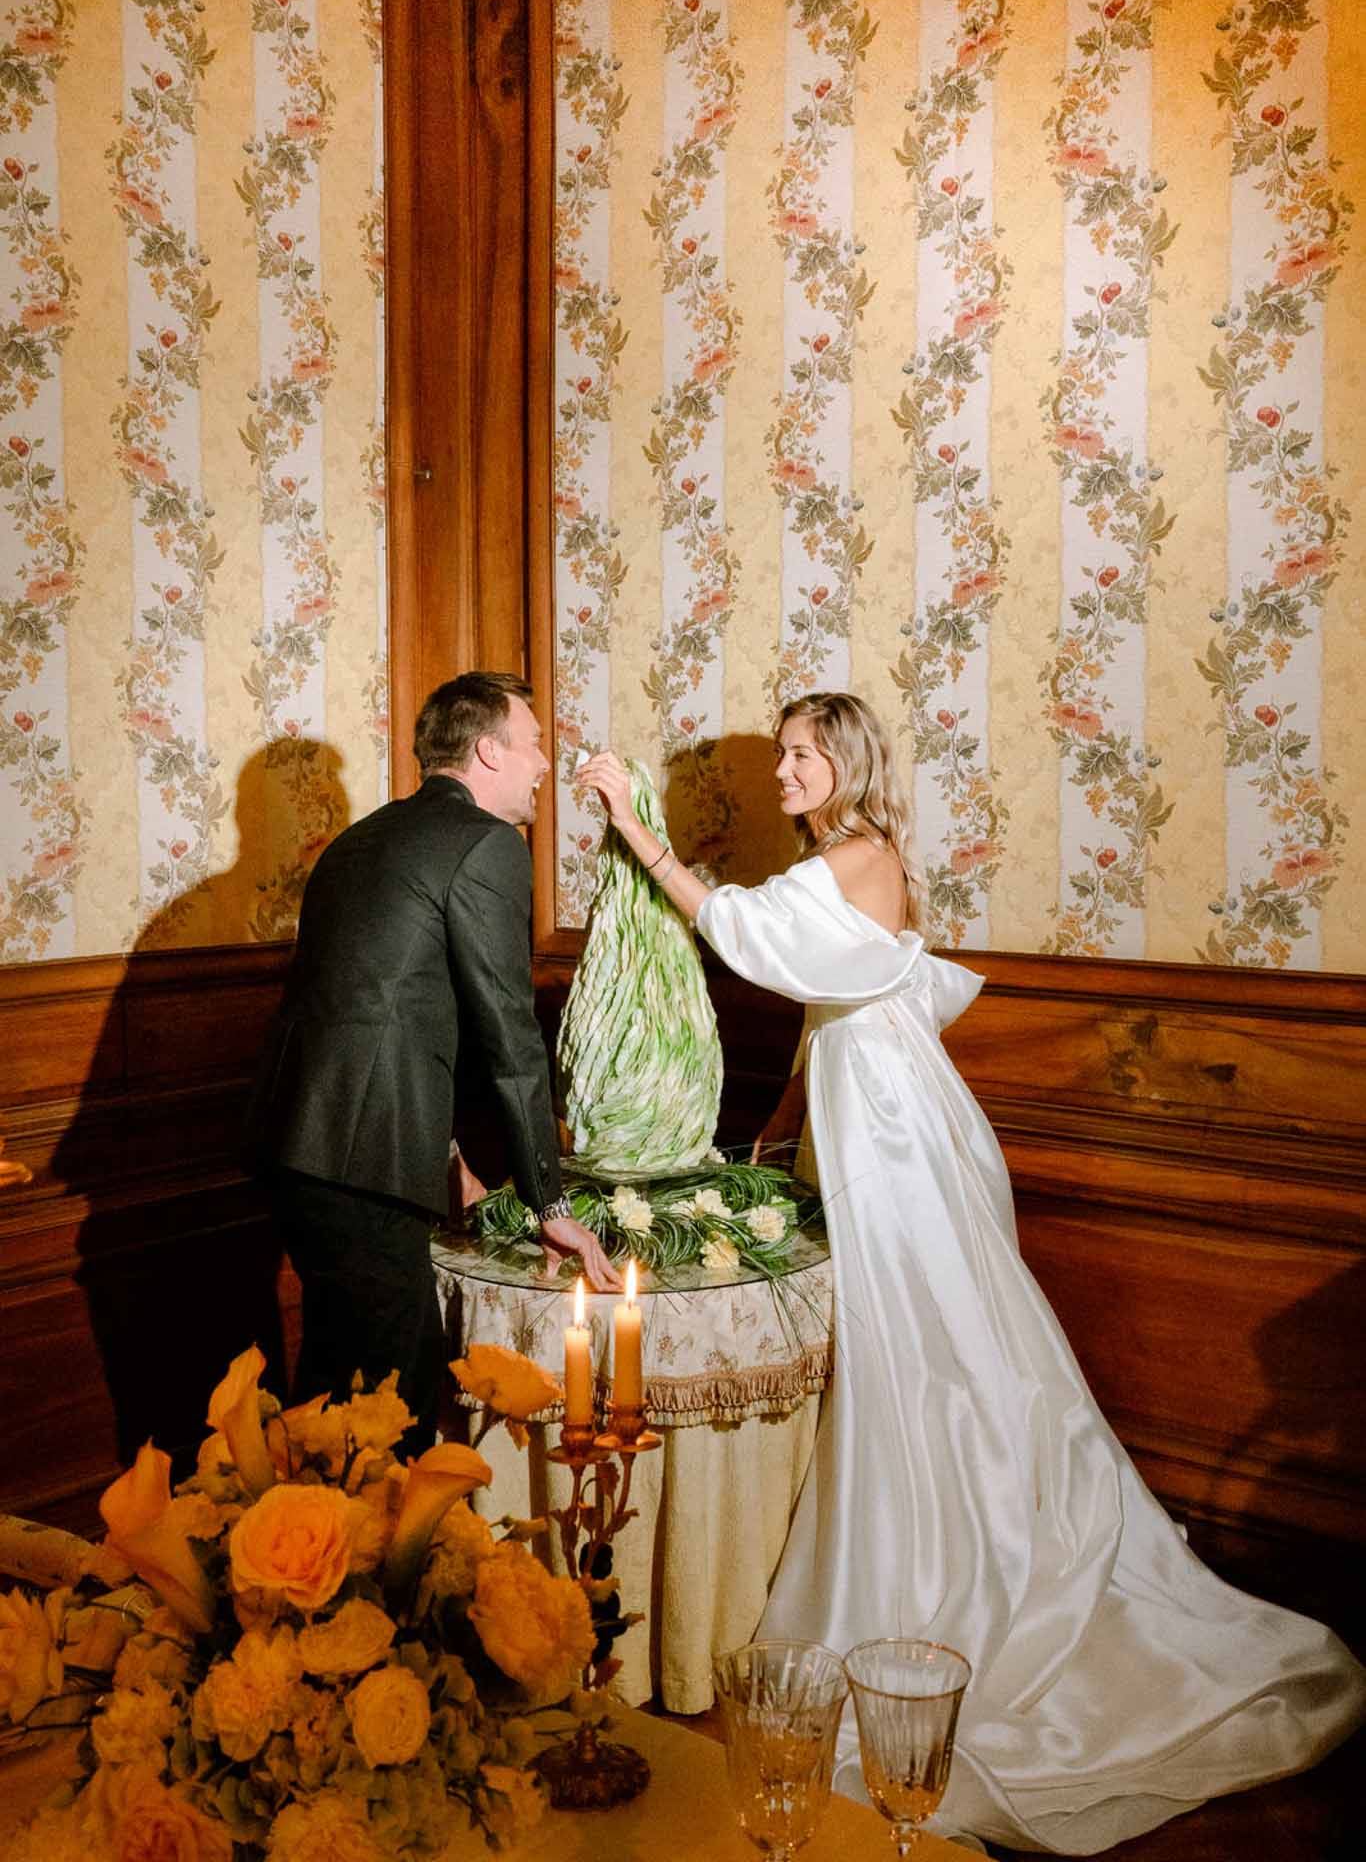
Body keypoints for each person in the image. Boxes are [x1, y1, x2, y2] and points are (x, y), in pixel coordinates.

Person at [579, 695, 1366, 1856]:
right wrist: (786, 1114)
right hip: (877, 1115)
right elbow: (831, 1005)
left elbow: (741, 931)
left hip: (896, 1140)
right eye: (785, 752)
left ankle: (969, 1569)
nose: (785, 770)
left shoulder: (854, 854)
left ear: (846, 764)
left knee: (928, 1344)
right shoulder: (847, 862)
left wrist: (637, 828)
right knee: (927, 1346)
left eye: (802, 753)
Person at [246, 671, 620, 1455]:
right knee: (395, 1408)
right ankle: (373, 1573)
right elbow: (509, 1034)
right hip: (362, 1162)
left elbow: (383, 1010)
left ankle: (297, 1567)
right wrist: (552, 1206)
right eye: (534, 744)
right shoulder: (487, 844)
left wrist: (448, 1155)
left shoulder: (360, 841)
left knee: (331, 1391)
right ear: (488, 751)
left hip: (295, 1142)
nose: (546, 765)